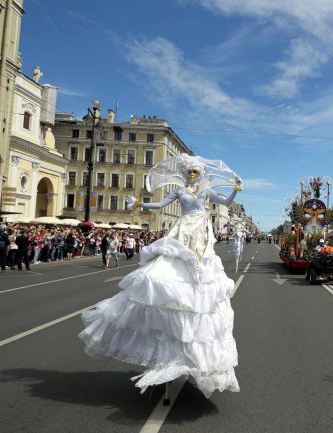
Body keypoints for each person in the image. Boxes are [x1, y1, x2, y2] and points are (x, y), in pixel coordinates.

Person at [79, 154, 242, 398]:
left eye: (196, 172)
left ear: (201, 174)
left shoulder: (206, 193)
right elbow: (159, 205)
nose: (192, 175)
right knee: (163, 274)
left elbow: (226, 202)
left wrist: (236, 190)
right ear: (185, 173)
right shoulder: (179, 191)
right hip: (182, 231)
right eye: (190, 171)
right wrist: (139, 204)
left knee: (200, 281)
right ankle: (169, 340)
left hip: (200, 233)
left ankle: (190, 336)